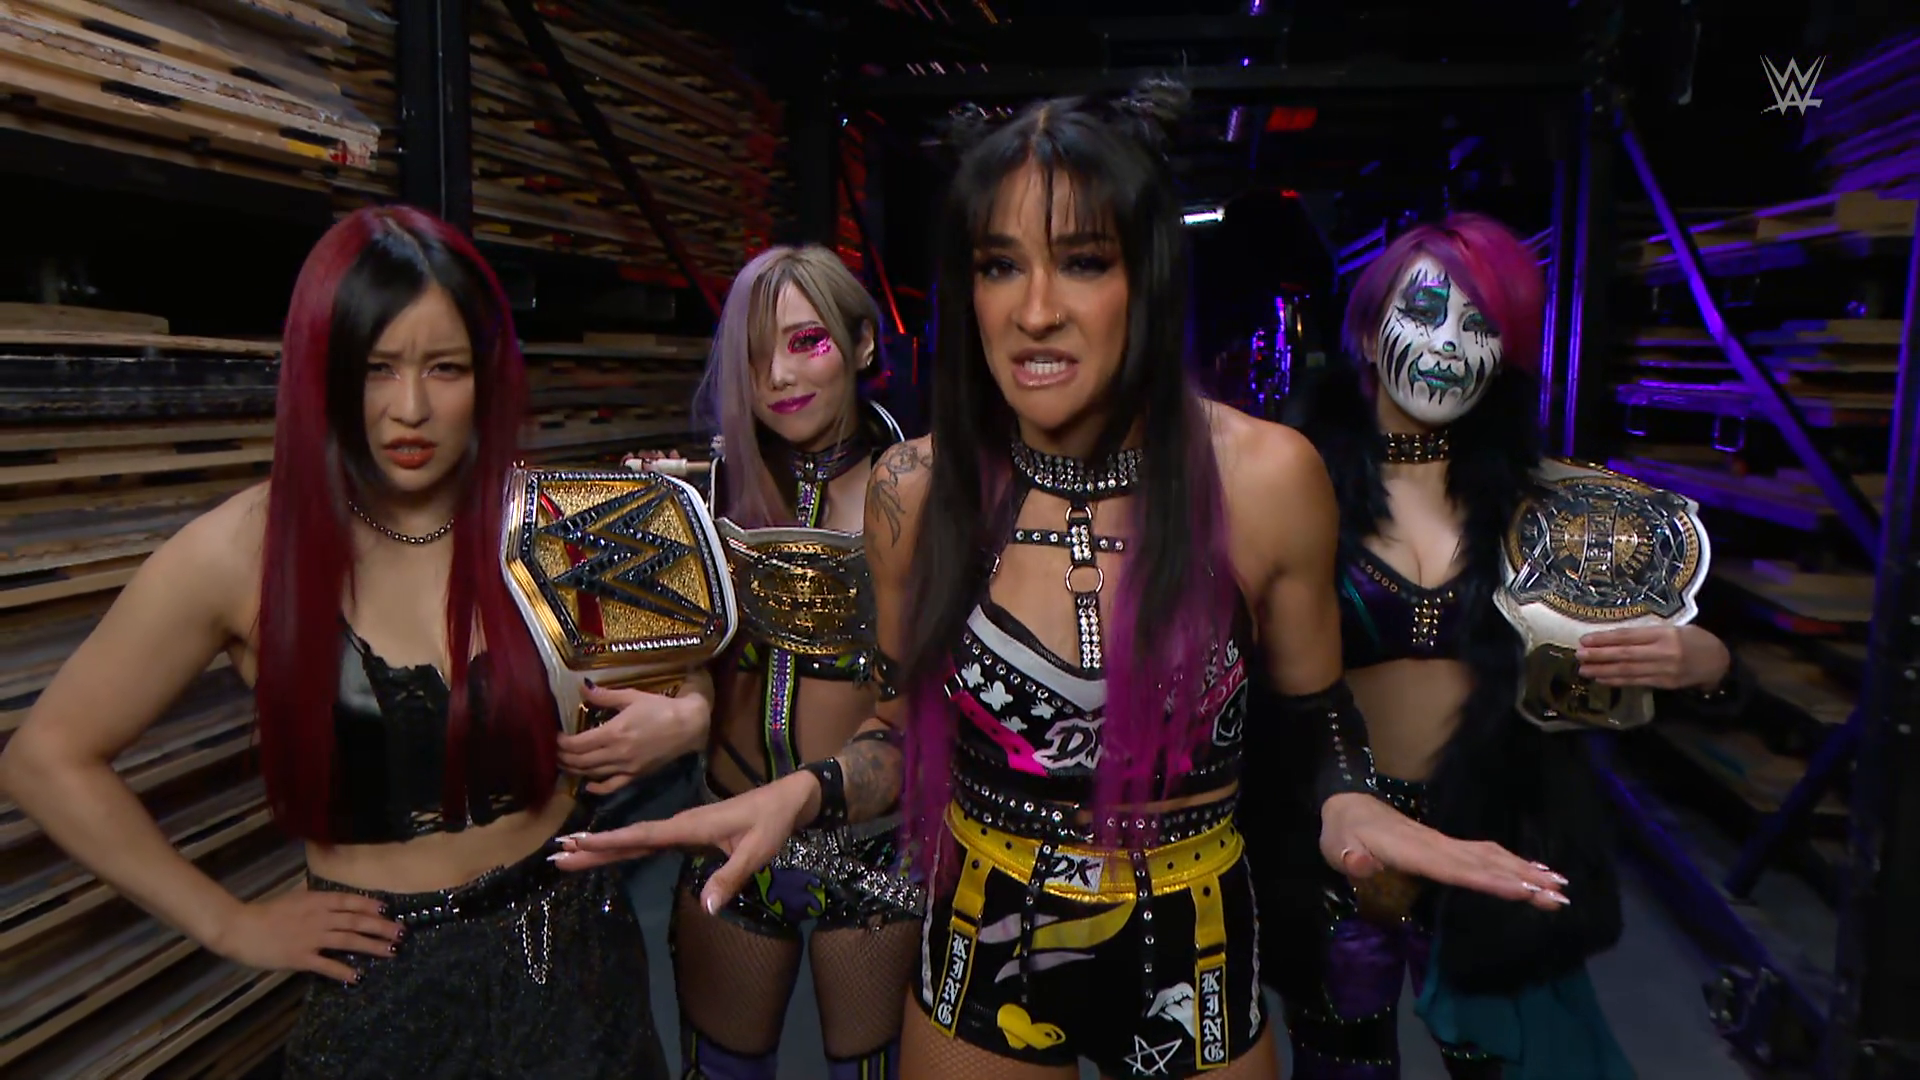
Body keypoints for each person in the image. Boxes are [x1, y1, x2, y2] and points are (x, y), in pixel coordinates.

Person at [555, 82, 1570, 1080]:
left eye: (1083, 261)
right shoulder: (916, 490)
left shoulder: (1266, 480)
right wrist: (808, 792)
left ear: (1149, 277)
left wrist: (1346, 802)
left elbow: (1315, 720)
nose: (1035, 311)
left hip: (1192, 941)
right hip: (982, 934)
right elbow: (901, 724)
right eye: (1001, 265)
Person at [0, 205, 703, 1079]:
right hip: (388, 986)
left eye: (444, 368)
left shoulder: (548, 520)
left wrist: (687, 719)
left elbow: (684, 669)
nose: (410, 408)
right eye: (376, 369)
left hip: (576, 950)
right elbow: (46, 758)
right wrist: (228, 922)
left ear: (486, 374)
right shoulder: (246, 551)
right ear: (324, 373)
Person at [1244, 213, 1747, 1080]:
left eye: (1478, 324)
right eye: (1423, 310)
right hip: (1330, 839)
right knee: (1339, 1062)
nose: (1447, 343)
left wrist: (1706, 664)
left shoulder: (1556, 510)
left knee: (1500, 1061)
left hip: (1488, 842)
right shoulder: (1289, 483)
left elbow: (1639, 673)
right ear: (1365, 331)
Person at [631, 244, 922, 1080]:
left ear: (862, 344)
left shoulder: (921, 490)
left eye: (807, 342)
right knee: (719, 1070)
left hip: (869, 846)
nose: (780, 376)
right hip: (726, 822)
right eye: (755, 355)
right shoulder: (709, 488)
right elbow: (667, 660)